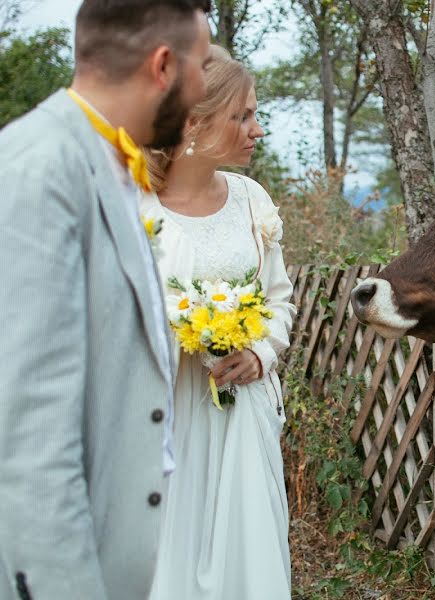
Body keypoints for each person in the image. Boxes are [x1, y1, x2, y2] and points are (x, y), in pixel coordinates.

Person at [0, 1, 211, 599]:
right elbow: (28, 426)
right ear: (163, 65)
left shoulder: (110, 164)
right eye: (202, 64)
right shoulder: (39, 169)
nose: (204, 88)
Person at [141, 45, 295, 600]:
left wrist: (260, 353)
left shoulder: (252, 199)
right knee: (167, 554)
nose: (257, 129)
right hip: (162, 418)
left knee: (245, 556)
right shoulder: (136, 207)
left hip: (240, 414)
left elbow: (279, 299)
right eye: (244, 115)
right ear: (196, 122)